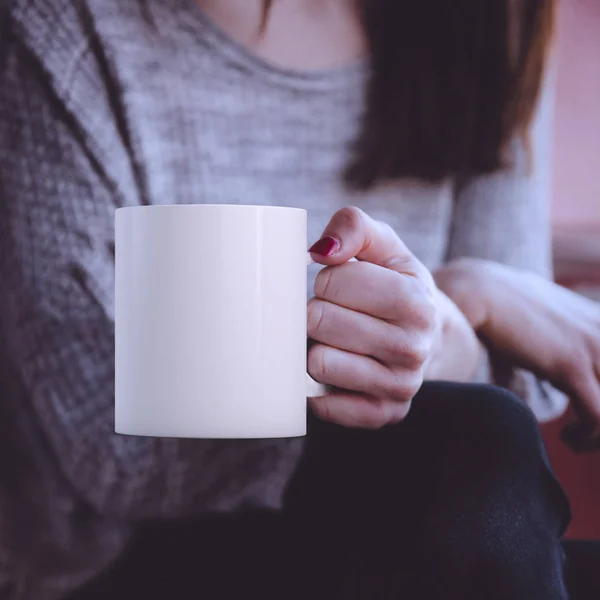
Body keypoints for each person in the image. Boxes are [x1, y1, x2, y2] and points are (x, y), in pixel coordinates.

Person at [0, 0, 581, 598]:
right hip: (117, 556)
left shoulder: (488, 19)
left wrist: (444, 327)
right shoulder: (63, 27)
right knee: (477, 444)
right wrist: (466, 303)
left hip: (418, 516)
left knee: (482, 452)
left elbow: (520, 389)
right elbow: (108, 455)